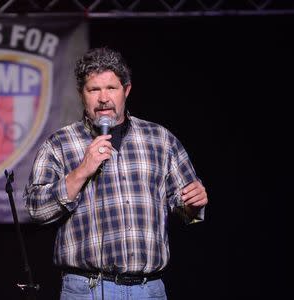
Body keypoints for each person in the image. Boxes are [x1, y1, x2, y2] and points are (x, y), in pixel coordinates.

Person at [24, 47, 208, 299]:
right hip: (86, 288)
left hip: (149, 289)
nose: (103, 98)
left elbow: (186, 208)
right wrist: (81, 171)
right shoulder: (59, 143)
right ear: (82, 94)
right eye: (94, 90)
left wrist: (194, 202)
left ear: (126, 91)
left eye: (111, 88)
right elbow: (35, 209)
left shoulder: (160, 139)